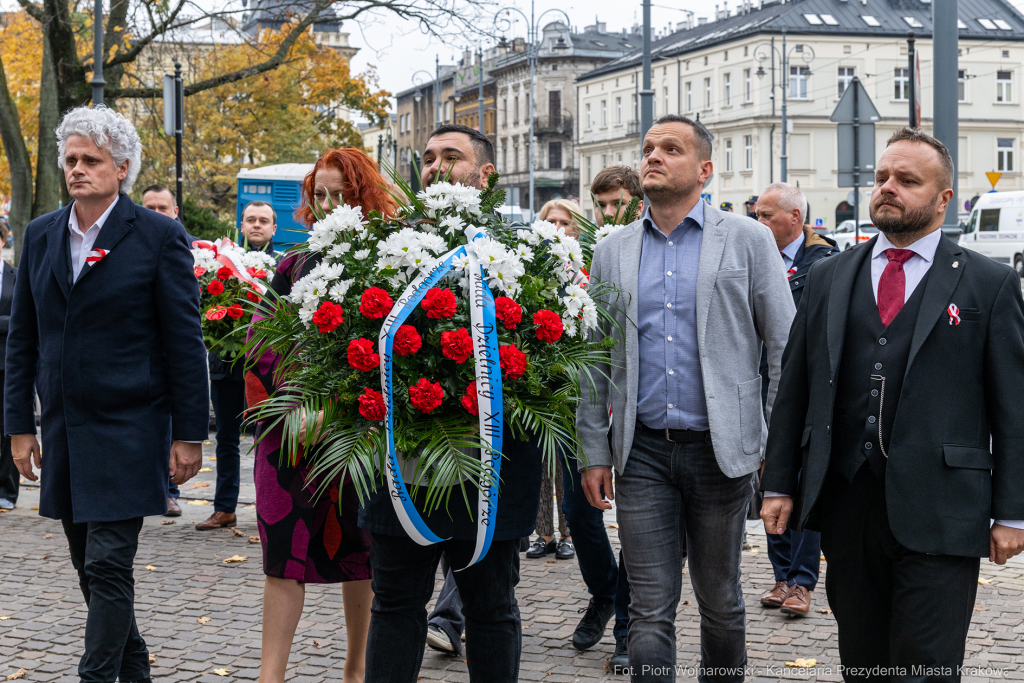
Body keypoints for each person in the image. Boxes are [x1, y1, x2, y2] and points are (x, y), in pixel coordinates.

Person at [761, 128, 1024, 679]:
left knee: (926, 666)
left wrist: (1013, 512)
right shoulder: (831, 275)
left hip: (944, 506)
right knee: (863, 661)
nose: (888, 188)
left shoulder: (989, 283)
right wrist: (780, 482)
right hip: (849, 502)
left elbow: (1014, 408)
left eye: (907, 180)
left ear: (943, 198)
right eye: (882, 177)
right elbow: (796, 388)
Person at [577, 114, 795, 683]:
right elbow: (593, 360)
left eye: (670, 148)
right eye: (648, 147)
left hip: (721, 451)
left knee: (720, 599)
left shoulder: (747, 238)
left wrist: (775, 440)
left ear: (704, 169)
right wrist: (594, 450)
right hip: (642, 451)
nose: (653, 156)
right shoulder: (614, 250)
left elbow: (784, 347)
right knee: (649, 607)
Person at [8, 105, 208, 683]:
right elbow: (23, 337)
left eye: (90, 160)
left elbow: (183, 340)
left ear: (121, 167)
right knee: (89, 569)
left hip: (132, 427)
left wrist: (189, 434)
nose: (77, 169)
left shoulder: (160, 236)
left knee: (107, 565)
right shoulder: (42, 233)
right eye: (70, 159)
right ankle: (135, 672)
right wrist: (20, 424)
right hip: (65, 429)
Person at [360, 123, 542, 683]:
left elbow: (544, 365)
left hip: (490, 465)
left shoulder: (523, 255)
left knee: (491, 607)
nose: (436, 166)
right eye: (429, 157)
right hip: (404, 462)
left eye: (452, 157)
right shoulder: (378, 253)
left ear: (485, 176)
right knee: (394, 603)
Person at [245, 148, 387, 683]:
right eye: (318, 195)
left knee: (363, 555)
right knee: (283, 557)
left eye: (339, 194)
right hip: (292, 438)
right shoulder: (292, 264)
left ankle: (356, 669)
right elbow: (262, 345)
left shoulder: (387, 264)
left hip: (360, 435)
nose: (326, 205)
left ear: (362, 196)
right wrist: (284, 409)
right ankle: (270, 676)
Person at [565, 166, 646, 671]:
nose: (609, 214)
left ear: (637, 201)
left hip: (640, 411)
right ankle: (605, 592)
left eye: (618, 204)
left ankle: (626, 629)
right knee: (579, 514)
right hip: (591, 410)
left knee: (639, 530)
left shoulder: (645, 250)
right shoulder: (581, 258)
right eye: (602, 206)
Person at [753, 183, 836, 617]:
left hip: (807, 391)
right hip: (763, 388)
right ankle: (781, 575)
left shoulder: (824, 264)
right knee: (772, 480)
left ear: (795, 219)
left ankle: (802, 582)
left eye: (767, 215)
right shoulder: (750, 258)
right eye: (757, 215)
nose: (759, 223)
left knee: (803, 485)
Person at [523, 198, 583, 562]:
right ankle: (542, 533)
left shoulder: (582, 267)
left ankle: (568, 533)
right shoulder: (532, 265)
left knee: (565, 458)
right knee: (539, 458)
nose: (558, 229)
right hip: (539, 373)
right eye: (552, 222)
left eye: (565, 223)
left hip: (571, 373)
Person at [140, 183, 188, 517]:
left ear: (175, 212)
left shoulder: (183, 245)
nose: (155, 214)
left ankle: (168, 489)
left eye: (162, 208)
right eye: (149, 207)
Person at [0, 221, 16, 511]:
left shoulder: (16, 277)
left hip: (7, 363)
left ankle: (6, 490)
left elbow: (23, 319)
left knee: (9, 427)